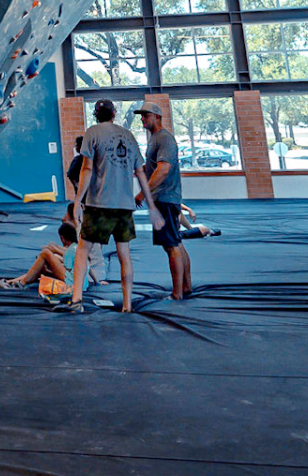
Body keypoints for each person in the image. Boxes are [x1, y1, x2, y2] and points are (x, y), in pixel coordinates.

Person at [57, 98, 163, 314]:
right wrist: (151, 206)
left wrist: (78, 202)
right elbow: (140, 171)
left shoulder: (92, 133)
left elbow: (86, 170)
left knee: (82, 249)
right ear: (114, 113)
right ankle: (127, 304)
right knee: (124, 253)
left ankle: (77, 300)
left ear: (96, 115)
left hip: (99, 204)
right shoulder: (128, 135)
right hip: (124, 206)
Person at [134, 101, 192, 300]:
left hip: (165, 198)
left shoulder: (164, 139)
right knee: (176, 242)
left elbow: (164, 169)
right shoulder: (155, 139)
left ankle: (177, 293)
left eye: (145, 115)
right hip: (165, 198)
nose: (142, 119)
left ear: (157, 117)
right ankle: (186, 287)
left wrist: (144, 193)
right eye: (141, 115)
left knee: (171, 245)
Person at [0, 222, 86, 294]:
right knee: (43, 266)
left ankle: (20, 283)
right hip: (79, 279)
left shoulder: (71, 250)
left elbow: (69, 266)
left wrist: (53, 264)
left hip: (72, 280)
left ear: (62, 238)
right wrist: (96, 281)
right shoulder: (76, 248)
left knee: (45, 254)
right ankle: (11, 282)